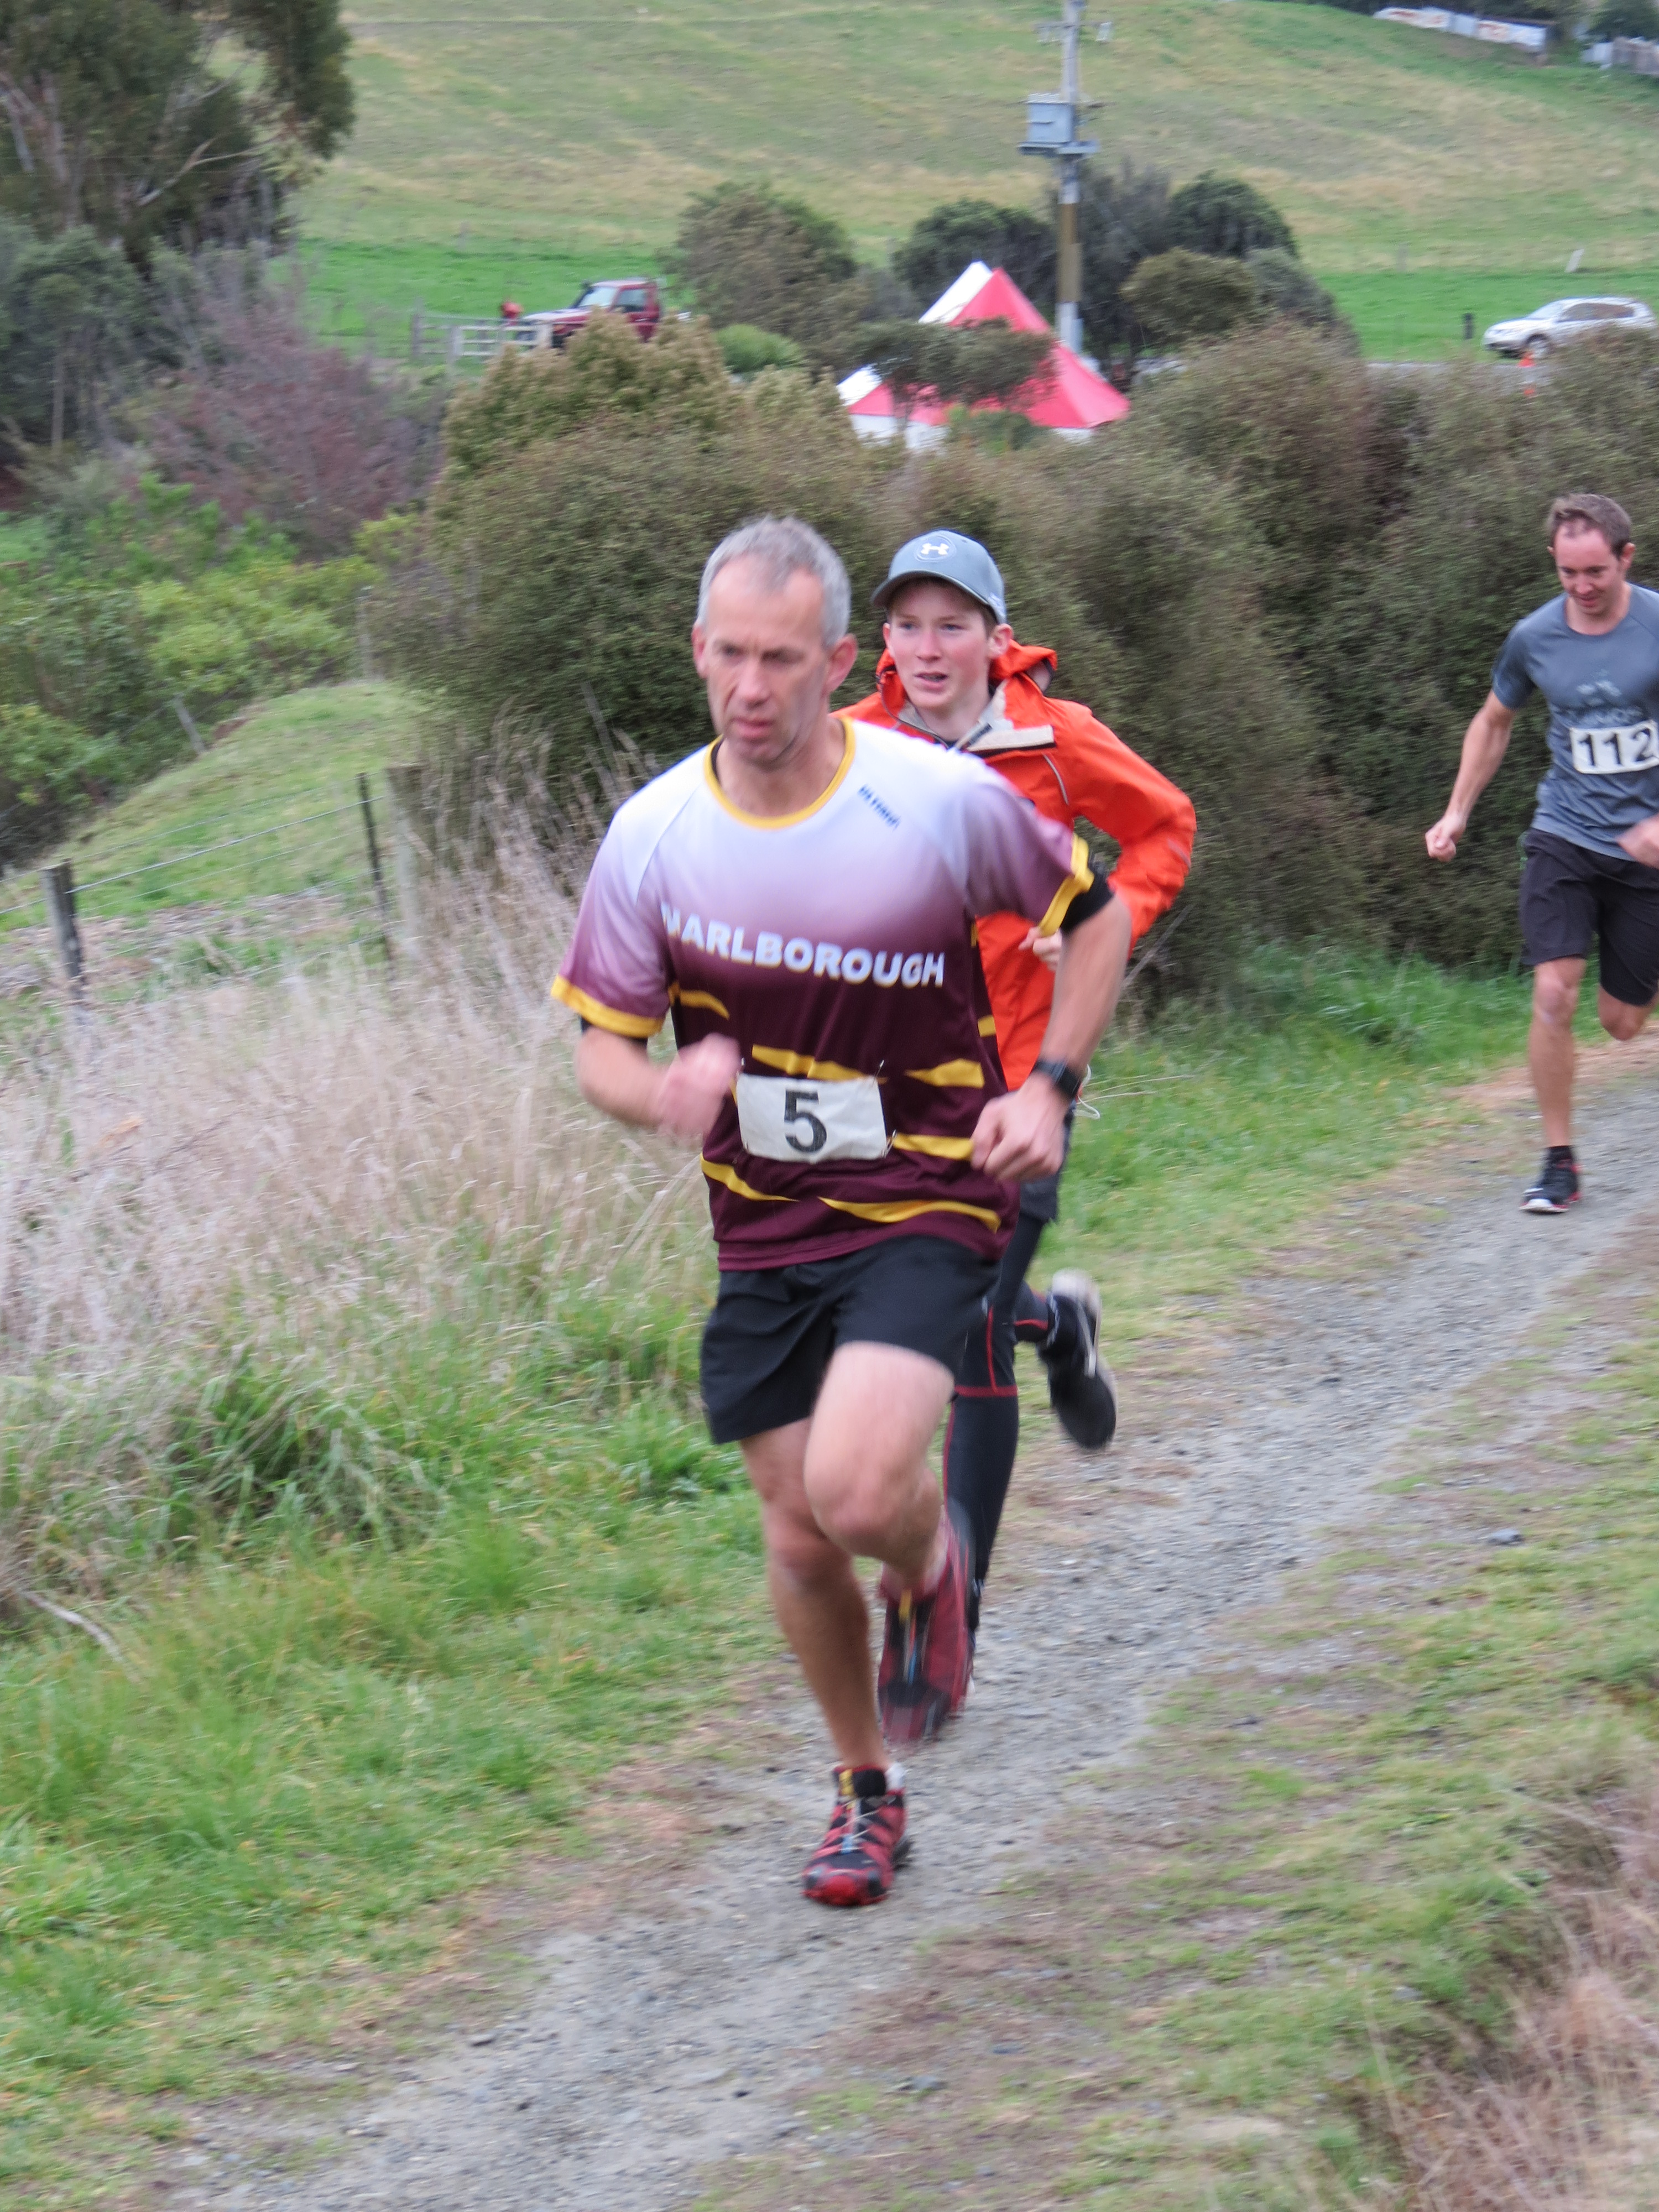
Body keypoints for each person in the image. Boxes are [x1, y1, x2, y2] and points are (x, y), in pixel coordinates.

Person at [552, 516, 1130, 1906]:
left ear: (834, 662)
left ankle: (933, 1565)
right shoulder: (654, 835)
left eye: (781, 659)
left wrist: (1049, 1085)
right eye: (730, 656)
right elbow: (599, 1049)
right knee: (800, 1534)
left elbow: (1096, 918)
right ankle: (867, 1791)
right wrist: (659, 1089)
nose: (751, 688)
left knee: (859, 1489)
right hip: (763, 1221)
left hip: (926, 1190)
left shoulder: (932, 800)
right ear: (698, 652)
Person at [847, 530, 1194, 1638]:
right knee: (939, 1304)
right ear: (886, 636)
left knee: (972, 1336)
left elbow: (1164, 827)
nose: (929, 648)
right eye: (909, 625)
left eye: (953, 625)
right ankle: (1065, 1323)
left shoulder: (1055, 739)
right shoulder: (850, 744)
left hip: (1028, 1073)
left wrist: (1098, 927)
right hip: (894, 1082)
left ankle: (947, 1617)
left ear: (997, 638)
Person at [1426, 493, 1659, 1212]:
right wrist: (1457, 811)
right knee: (1554, 992)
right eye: (1568, 573)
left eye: (1596, 571)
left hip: (1649, 852)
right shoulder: (1535, 637)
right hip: (1566, 833)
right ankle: (1560, 1162)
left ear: (1626, 558)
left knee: (1622, 1024)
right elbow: (1494, 722)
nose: (1582, 587)